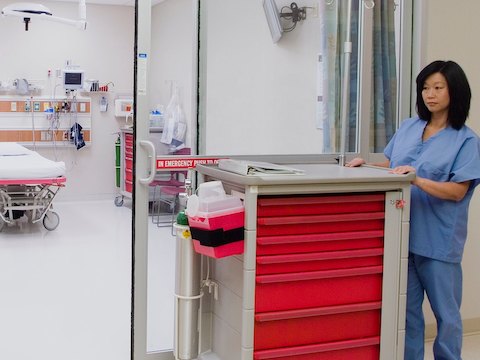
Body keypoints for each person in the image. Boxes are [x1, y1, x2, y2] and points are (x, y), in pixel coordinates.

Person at [346, 60, 480, 360]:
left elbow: (458, 191)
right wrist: (364, 165)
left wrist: (417, 179)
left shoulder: (467, 141)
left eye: (437, 87)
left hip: (438, 242)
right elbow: (393, 167)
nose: (429, 94)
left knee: (446, 316)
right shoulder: (410, 126)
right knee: (406, 314)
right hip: (401, 234)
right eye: (425, 88)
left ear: (454, 92)